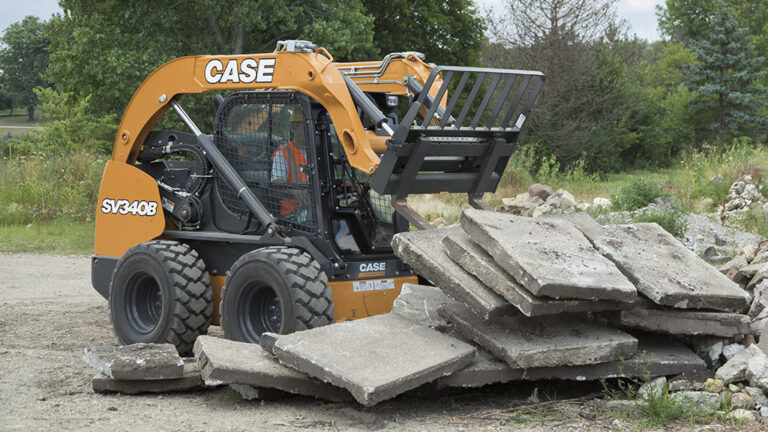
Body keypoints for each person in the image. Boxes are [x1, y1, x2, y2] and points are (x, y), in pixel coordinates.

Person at [271, 108, 310, 221]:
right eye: (305, 127)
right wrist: (295, 191)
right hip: (293, 215)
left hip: (317, 210)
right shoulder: (283, 153)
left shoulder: (318, 152)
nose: (310, 131)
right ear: (294, 127)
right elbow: (277, 182)